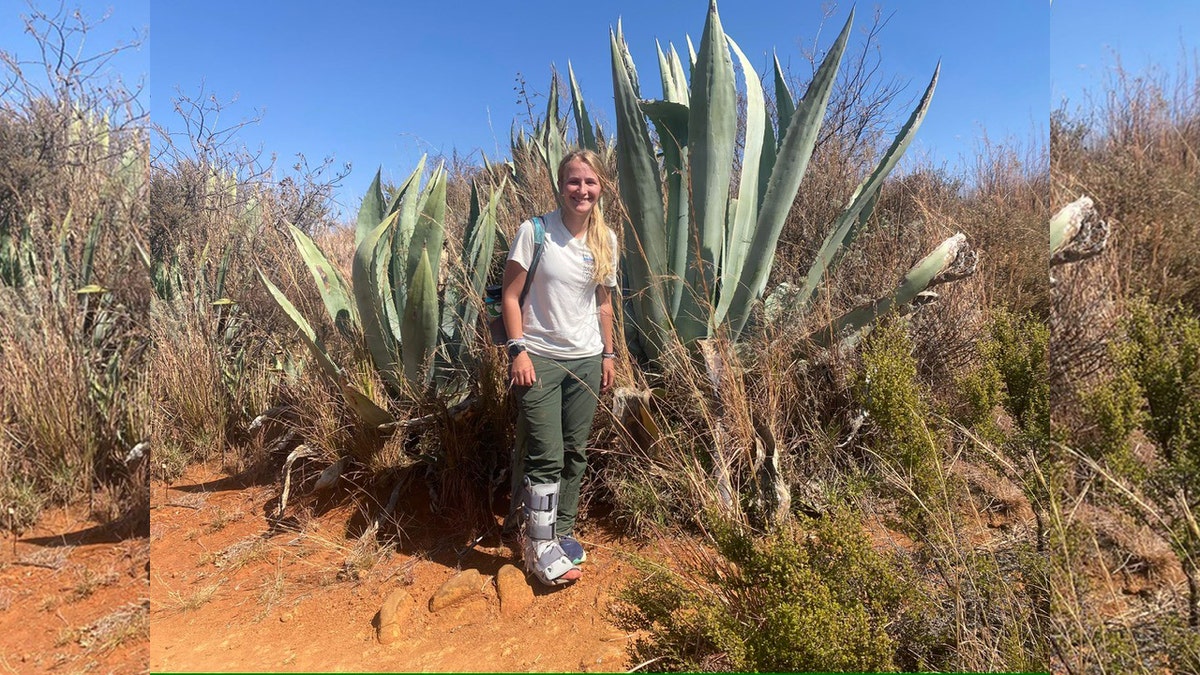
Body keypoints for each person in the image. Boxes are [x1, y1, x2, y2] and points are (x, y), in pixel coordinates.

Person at [500, 149, 619, 586]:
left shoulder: (606, 240)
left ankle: (561, 531)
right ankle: (538, 548)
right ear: (560, 185)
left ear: (600, 187)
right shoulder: (535, 232)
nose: (582, 190)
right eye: (574, 181)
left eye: (589, 182)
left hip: (587, 360)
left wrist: (609, 355)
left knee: (575, 451)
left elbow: (604, 304)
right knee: (545, 455)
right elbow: (509, 296)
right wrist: (519, 351)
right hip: (541, 360)